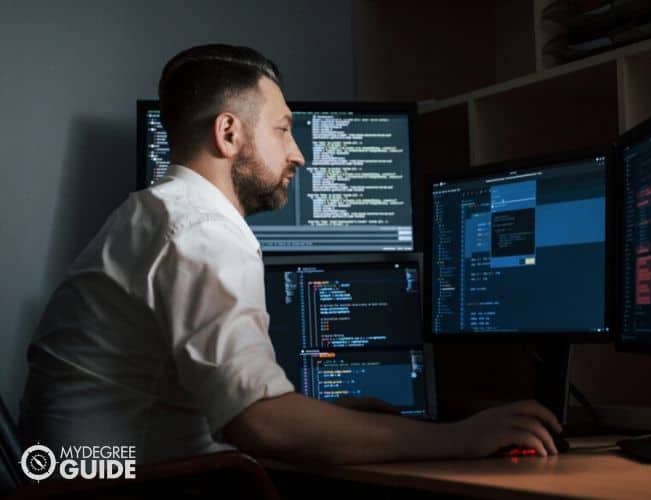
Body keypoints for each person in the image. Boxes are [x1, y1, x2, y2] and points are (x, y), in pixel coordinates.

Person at [20, 44, 562, 464]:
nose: (298, 154)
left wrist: (325, 420)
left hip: (77, 474)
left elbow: (223, 410)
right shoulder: (203, 228)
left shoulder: (153, 212)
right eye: (283, 129)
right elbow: (258, 424)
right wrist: (461, 438)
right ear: (229, 132)